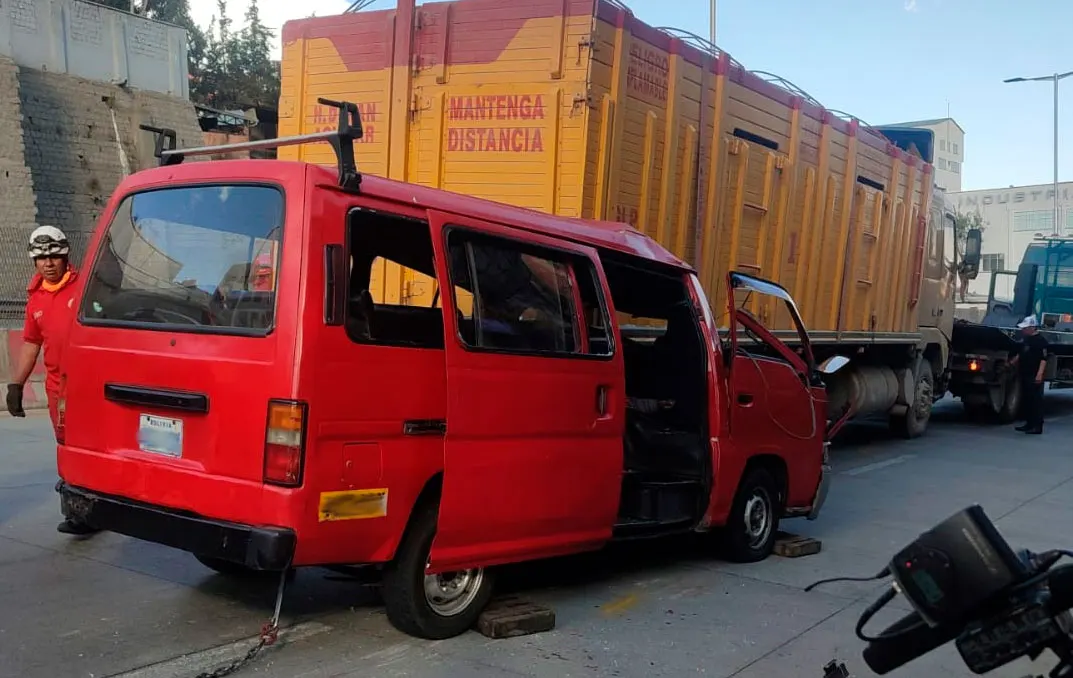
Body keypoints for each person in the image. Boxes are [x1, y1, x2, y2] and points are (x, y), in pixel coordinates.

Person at [4, 225, 100, 535]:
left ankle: (103, 507)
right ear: (34, 261)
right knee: (66, 446)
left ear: (65, 257)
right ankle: (79, 513)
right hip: (58, 388)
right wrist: (17, 384)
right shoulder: (35, 299)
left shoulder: (85, 288)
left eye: (55, 257)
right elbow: (31, 343)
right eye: (42, 258)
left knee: (93, 445)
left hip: (89, 383)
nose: (48, 263)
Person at [1009, 314, 1048, 435]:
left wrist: (1039, 374)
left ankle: (1037, 426)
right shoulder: (1027, 339)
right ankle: (1029, 424)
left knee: (1036, 401)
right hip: (1025, 373)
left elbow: (1043, 359)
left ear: (1032, 327)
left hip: (1034, 374)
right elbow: (1021, 354)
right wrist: (1012, 363)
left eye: (1025, 328)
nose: (1023, 330)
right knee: (1027, 400)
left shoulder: (1041, 341)